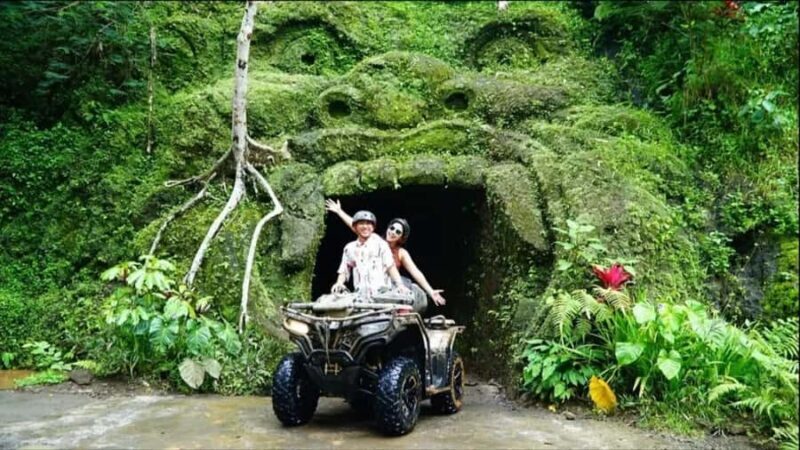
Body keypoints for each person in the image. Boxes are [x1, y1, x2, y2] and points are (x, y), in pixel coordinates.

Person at [326, 199, 446, 306]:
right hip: (366, 286)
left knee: (403, 292)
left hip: (388, 286)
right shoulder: (374, 240)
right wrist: (339, 211)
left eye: (398, 232)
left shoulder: (399, 252)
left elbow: (414, 272)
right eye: (392, 228)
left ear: (401, 237)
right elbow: (359, 227)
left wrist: (430, 291)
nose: (393, 232)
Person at [331, 209, 409, 299]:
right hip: (360, 296)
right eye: (361, 223)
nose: (365, 227)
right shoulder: (350, 248)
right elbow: (345, 269)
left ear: (373, 227)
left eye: (368, 223)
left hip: (382, 296)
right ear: (355, 226)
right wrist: (339, 283)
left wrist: (400, 285)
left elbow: (390, 266)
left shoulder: (381, 245)